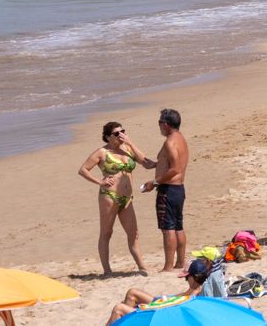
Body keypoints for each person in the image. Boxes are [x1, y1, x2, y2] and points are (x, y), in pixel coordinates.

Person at [77, 120, 148, 275]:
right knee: (106, 232)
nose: (121, 135)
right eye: (117, 133)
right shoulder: (102, 152)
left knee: (133, 233)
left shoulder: (127, 148)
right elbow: (83, 170)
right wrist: (100, 182)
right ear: (108, 137)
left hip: (127, 198)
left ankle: (143, 268)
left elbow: (145, 162)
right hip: (109, 196)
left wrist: (130, 142)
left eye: (123, 131)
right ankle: (107, 270)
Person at [140, 108, 188, 271]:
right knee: (178, 226)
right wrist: (156, 164)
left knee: (168, 228)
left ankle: (168, 266)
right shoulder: (180, 138)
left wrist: (153, 182)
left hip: (168, 189)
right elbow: (170, 163)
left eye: (160, 123)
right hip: (178, 189)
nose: (159, 126)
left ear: (166, 125)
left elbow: (175, 169)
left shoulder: (170, 142)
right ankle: (180, 262)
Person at [105, 258, 215, 324]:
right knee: (132, 293)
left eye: (187, 277)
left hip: (161, 312)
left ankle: (127, 321)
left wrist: (161, 303)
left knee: (118, 308)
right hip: (165, 303)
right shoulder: (196, 289)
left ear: (193, 277)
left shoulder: (194, 295)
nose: (186, 280)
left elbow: (175, 313)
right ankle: (129, 323)